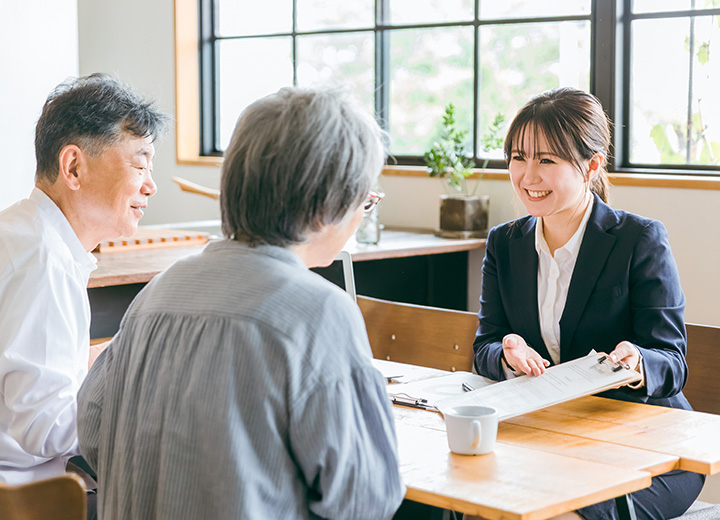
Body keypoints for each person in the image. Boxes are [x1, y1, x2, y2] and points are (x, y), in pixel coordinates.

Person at [77, 87, 405, 520]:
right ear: (327, 205)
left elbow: (93, 431)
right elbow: (365, 498)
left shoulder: (158, 293)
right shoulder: (319, 312)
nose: (362, 212)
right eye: (365, 199)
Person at [472, 87, 704, 520]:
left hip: (646, 444)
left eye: (547, 160)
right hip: (549, 435)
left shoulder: (639, 239)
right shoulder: (505, 243)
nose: (527, 176)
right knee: (477, 506)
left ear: (591, 165)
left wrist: (637, 361)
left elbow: (672, 361)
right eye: (518, 157)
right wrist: (507, 355)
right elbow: (484, 345)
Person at [0, 73, 166, 490]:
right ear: (73, 166)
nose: (151, 185)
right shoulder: (43, 260)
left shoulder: (23, 231)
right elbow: (44, 427)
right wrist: (146, 401)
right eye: (140, 163)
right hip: (26, 497)